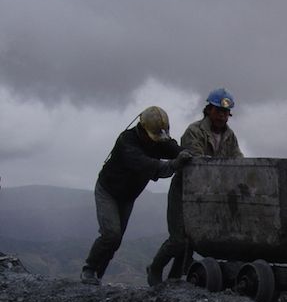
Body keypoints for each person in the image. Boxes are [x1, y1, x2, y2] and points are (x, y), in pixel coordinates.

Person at [81, 106, 192, 285]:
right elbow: (152, 166)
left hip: (128, 196)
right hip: (108, 191)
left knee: (115, 241)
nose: (156, 141)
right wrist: (175, 164)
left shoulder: (156, 138)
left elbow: (173, 148)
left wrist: (190, 156)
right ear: (142, 128)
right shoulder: (127, 142)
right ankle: (89, 269)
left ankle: (96, 278)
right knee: (111, 235)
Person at [147, 88, 244, 285]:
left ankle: (174, 279)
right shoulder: (194, 131)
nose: (222, 116)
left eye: (225, 113)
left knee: (192, 240)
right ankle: (155, 269)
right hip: (185, 190)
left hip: (209, 194)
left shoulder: (230, 136)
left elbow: (237, 161)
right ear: (209, 110)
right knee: (177, 239)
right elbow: (198, 164)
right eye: (218, 111)